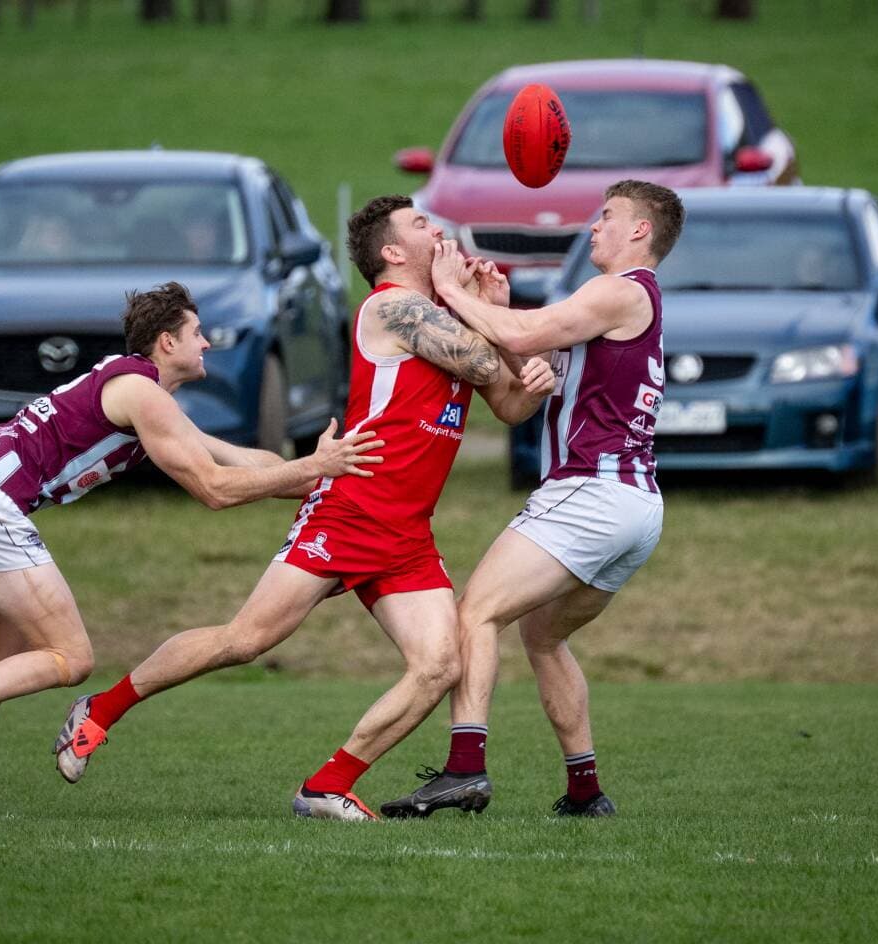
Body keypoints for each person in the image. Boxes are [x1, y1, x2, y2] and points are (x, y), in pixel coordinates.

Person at [52, 196, 556, 820]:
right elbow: (489, 359)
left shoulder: (450, 317)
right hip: (348, 510)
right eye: (424, 226)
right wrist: (485, 312)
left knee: (439, 664)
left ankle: (326, 786)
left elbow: (511, 404)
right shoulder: (394, 308)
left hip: (406, 531)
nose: (441, 232)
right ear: (393, 253)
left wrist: (513, 345)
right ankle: (100, 711)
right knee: (244, 640)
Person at [0, 281, 383, 819]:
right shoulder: (141, 392)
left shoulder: (145, 396)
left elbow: (241, 463)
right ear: (166, 342)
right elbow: (215, 490)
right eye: (197, 333)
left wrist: (327, 473)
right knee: (72, 657)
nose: (207, 345)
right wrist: (316, 468)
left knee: (9, 659)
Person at [381, 180, 684, 819]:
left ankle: (465, 770)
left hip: (591, 493)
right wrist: (506, 312)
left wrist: (456, 292)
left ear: (640, 231)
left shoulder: (620, 288)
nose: (593, 227)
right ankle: (585, 792)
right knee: (542, 636)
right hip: (636, 506)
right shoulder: (617, 301)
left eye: (607, 217)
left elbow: (525, 336)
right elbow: (533, 361)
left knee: (475, 614)